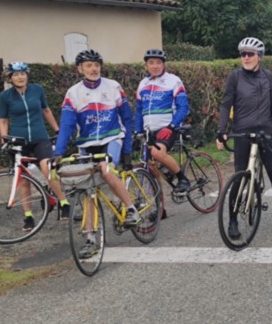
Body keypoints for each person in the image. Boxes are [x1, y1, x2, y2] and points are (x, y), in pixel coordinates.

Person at [216, 37, 272, 239]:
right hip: (242, 132)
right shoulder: (235, 76)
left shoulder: (267, 76)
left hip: (265, 132)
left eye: (250, 54)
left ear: (260, 57)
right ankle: (232, 221)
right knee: (239, 176)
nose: (246, 57)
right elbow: (226, 104)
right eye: (243, 54)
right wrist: (221, 130)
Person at [53, 49, 139, 258]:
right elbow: (66, 125)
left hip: (112, 138)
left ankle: (130, 209)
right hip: (87, 143)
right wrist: (58, 152)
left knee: (106, 171)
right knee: (87, 188)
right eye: (89, 65)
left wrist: (127, 150)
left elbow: (127, 118)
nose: (93, 69)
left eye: (97, 65)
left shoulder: (113, 87)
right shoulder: (73, 93)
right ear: (80, 69)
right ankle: (90, 238)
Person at [0, 61, 69, 230]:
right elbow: (3, 120)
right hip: (18, 141)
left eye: (23, 74)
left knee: (47, 168)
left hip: (39, 137)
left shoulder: (37, 90)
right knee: (23, 180)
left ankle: (64, 203)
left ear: (27, 76)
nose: (20, 77)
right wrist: (4, 141)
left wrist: (58, 131)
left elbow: (46, 110)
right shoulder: (5, 97)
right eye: (16, 75)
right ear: (10, 78)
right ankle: (28, 216)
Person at [135, 48, 191, 196]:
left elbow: (183, 107)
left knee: (157, 153)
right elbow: (139, 110)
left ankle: (182, 179)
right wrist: (137, 131)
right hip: (149, 131)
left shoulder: (173, 81)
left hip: (167, 128)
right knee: (151, 165)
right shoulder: (143, 84)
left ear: (163, 64)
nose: (155, 66)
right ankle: (160, 205)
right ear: (146, 65)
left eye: (158, 63)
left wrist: (172, 126)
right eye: (151, 63)